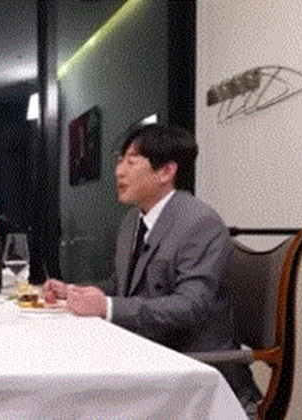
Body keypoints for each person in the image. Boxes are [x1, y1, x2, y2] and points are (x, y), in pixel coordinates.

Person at [42, 124, 261, 414]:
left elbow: (190, 306)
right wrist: (74, 292)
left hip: (195, 370)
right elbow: (122, 284)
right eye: (120, 161)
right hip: (147, 357)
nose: (119, 172)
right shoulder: (132, 222)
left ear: (166, 172)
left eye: (131, 162)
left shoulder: (199, 223)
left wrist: (107, 306)